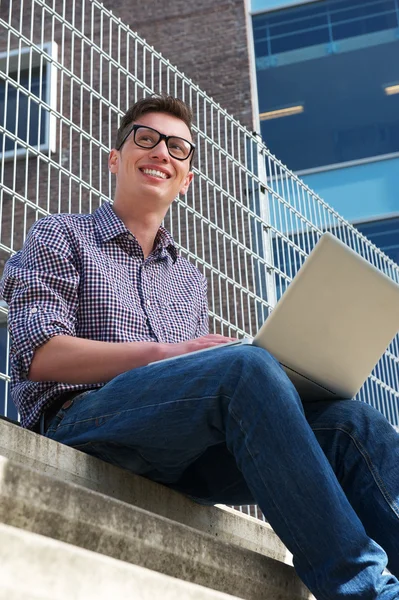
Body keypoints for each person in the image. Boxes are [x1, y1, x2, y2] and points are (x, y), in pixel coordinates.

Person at [1, 94, 399, 600]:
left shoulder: (188, 278)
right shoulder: (61, 234)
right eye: (144, 139)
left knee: (351, 423)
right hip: (81, 423)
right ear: (115, 157)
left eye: (178, 149)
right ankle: (367, 592)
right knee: (243, 367)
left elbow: (198, 394)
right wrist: (165, 352)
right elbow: (38, 355)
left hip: (181, 456)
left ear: (185, 181)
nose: (161, 152)